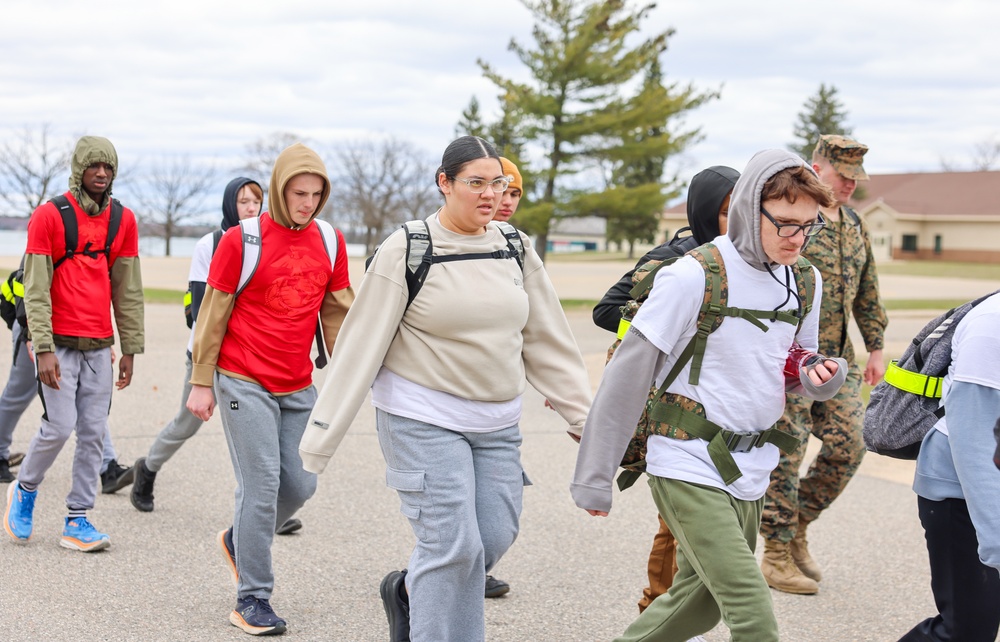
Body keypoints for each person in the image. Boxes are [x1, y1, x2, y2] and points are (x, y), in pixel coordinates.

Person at [299, 135, 592, 642]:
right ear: (445, 183)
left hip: (496, 422)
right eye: (475, 183)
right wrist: (322, 435)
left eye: (497, 183)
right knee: (452, 545)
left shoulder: (514, 247)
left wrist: (584, 417)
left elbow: (546, 338)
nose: (489, 194)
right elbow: (360, 343)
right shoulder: (409, 247)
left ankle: (412, 592)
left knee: (493, 536)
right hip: (422, 417)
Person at [572, 149, 846, 641]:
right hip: (685, 457)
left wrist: (814, 371)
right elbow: (628, 376)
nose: (797, 237)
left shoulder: (805, 279)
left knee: (696, 606)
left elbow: (793, 355)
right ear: (746, 209)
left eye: (809, 226)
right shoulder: (690, 274)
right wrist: (595, 474)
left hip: (752, 465)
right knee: (750, 608)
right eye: (784, 223)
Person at [186, 144, 353, 636]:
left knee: (301, 484)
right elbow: (212, 316)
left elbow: (339, 313)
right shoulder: (243, 241)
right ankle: (252, 598)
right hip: (243, 377)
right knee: (260, 488)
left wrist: (351, 371)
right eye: (299, 193)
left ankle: (240, 540)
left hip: (297, 382)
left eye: (317, 194)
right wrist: (201, 382)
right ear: (280, 190)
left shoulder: (329, 240)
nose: (307, 203)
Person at [593, 165, 739, 618]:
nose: (740, 223)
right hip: (676, 401)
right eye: (727, 213)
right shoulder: (674, 260)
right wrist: (660, 329)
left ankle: (671, 614)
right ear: (702, 212)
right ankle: (654, 610)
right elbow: (607, 310)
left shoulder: (751, 260)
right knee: (677, 518)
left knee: (715, 517)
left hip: (728, 401)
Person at [760, 135, 888, 594]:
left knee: (851, 446)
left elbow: (867, 286)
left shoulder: (854, 224)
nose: (851, 184)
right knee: (786, 453)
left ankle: (797, 526)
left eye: (857, 178)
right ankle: (775, 554)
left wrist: (875, 344)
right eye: (843, 175)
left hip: (838, 361)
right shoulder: (795, 218)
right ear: (818, 167)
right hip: (790, 359)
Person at [3, 136, 143, 552]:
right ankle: (25, 490)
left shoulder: (123, 220)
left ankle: (78, 519)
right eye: (94, 166)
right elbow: (36, 289)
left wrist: (130, 349)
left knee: (94, 432)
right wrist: (41, 346)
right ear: (78, 168)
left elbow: (128, 291)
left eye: (108, 167)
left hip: (100, 345)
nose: (101, 174)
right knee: (59, 427)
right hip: (57, 344)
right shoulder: (49, 216)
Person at [899, 291, 1000, 642]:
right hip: (961, 490)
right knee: (966, 632)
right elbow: (974, 442)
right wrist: (997, 546)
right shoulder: (991, 327)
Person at [0, 320, 133, 492]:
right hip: (34, 327)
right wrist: (28, 332)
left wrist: (100, 342)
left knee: (84, 401)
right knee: (18, 396)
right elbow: (19, 294)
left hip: (71, 329)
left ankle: (108, 467)